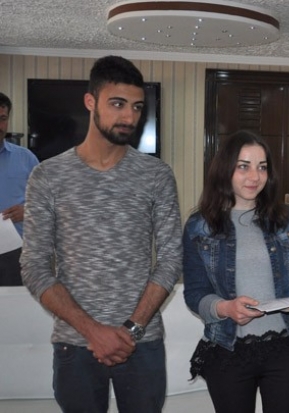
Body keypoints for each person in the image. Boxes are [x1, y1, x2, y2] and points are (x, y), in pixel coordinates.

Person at [21, 55, 182, 412]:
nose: (129, 117)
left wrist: (132, 329)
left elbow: (171, 258)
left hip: (142, 343)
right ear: (90, 101)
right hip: (75, 344)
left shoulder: (156, 175)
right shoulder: (48, 176)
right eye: (117, 104)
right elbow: (34, 266)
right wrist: (93, 331)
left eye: (137, 107)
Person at [183, 129, 289, 412]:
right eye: (243, 167)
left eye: (262, 167)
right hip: (228, 348)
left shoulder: (288, 218)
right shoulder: (200, 226)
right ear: (225, 169)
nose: (255, 177)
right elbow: (195, 293)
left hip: (286, 347)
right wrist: (225, 308)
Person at [0, 92, 39, 286]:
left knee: (15, 301)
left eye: (3, 118)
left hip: (15, 251)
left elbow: (48, 202)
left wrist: (28, 210)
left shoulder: (26, 158)